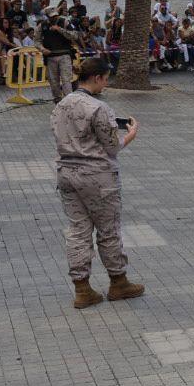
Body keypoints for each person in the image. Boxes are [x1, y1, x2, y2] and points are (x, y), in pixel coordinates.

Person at [50, 58, 143, 309]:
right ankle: (118, 281)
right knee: (108, 229)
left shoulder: (61, 104)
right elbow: (112, 147)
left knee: (78, 230)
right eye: (106, 78)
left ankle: (82, 288)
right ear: (98, 78)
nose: (107, 83)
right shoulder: (98, 108)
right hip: (97, 176)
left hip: (66, 172)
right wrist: (130, 136)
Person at [39, 12, 80, 100]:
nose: (54, 18)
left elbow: (75, 35)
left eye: (55, 16)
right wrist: (42, 49)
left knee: (66, 79)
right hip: (50, 56)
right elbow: (37, 40)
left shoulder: (65, 22)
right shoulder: (42, 25)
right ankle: (57, 98)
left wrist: (59, 29)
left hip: (64, 54)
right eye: (52, 16)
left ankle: (68, 99)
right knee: (53, 81)